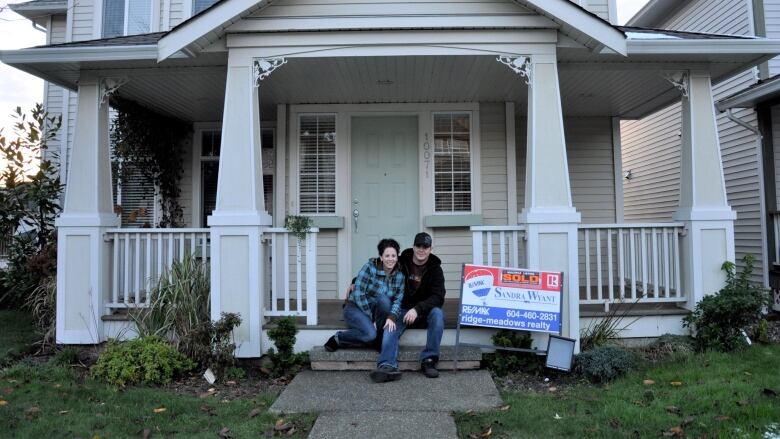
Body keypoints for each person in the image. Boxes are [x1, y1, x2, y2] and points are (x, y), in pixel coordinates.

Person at [324, 238, 405, 381]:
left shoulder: (399, 276)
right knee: (369, 335)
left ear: (397, 256)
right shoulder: (369, 268)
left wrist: (392, 316)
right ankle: (339, 338)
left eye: (393, 256)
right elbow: (359, 293)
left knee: (385, 300)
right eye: (387, 255)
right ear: (381, 257)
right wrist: (371, 318)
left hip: (377, 311)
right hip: (355, 307)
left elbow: (398, 300)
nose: (390, 259)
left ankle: (379, 337)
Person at [371, 232, 446, 383]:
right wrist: (355, 281)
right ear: (413, 247)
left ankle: (429, 360)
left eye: (426, 247)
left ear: (431, 249)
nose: (421, 249)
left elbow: (438, 297)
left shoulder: (435, 269)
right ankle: (387, 365)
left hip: (424, 311)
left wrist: (418, 309)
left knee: (438, 314)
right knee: (390, 326)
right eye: (418, 245)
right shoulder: (402, 260)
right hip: (402, 309)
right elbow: (379, 268)